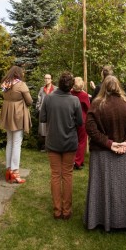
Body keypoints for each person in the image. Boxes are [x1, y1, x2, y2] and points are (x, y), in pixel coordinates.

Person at [84, 75, 126, 231]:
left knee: (103, 189)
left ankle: (101, 220)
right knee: (125, 189)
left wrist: (109, 143)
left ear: (104, 87)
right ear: (118, 86)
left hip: (103, 154)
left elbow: (90, 129)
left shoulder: (97, 105)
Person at [39, 71, 83, 219]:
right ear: (71, 86)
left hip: (53, 142)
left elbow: (43, 118)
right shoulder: (74, 101)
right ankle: (66, 211)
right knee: (67, 175)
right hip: (70, 142)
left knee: (56, 175)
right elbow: (80, 122)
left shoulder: (49, 98)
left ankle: (58, 210)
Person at [0, 65, 33, 184]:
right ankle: (15, 172)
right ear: (19, 74)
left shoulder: (5, 83)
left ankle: (8, 170)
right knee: (17, 143)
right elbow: (29, 101)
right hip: (17, 114)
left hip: (7, 113)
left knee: (9, 142)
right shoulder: (20, 85)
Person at [71, 77, 91, 170]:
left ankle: (78, 160)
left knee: (74, 140)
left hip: (71, 119)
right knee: (82, 141)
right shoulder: (84, 95)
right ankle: (78, 162)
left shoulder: (70, 93)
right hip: (82, 120)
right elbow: (88, 108)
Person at [36, 73, 55, 150]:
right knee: (43, 130)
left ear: (51, 79)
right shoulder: (41, 89)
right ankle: (44, 146)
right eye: (45, 78)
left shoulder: (55, 89)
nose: (47, 80)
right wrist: (39, 108)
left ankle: (52, 146)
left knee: (52, 129)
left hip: (52, 113)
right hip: (43, 112)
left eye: (48, 78)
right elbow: (38, 100)